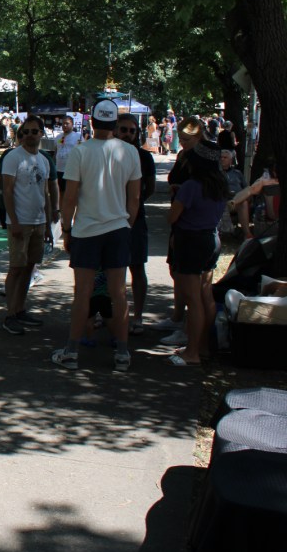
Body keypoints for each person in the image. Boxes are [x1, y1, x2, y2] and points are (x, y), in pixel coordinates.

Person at [52, 99, 141, 373]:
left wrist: (66, 229)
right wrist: (126, 226)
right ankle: (123, 354)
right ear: (115, 124)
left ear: (91, 122)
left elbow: (70, 197)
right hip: (117, 230)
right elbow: (134, 197)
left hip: (87, 231)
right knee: (119, 293)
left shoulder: (80, 152)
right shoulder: (130, 152)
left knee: (83, 293)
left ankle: (71, 350)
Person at [167, 141, 229, 366]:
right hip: (212, 239)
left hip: (190, 241)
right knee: (206, 296)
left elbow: (173, 217)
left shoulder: (191, 186)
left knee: (193, 300)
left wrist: (177, 195)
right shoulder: (220, 185)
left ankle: (191, 352)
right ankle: (202, 346)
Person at [153, 115, 208, 342]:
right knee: (177, 270)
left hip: (192, 223)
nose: (183, 142)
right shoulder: (184, 156)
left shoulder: (202, 161)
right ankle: (178, 317)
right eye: (181, 138)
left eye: (187, 139)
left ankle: (188, 329)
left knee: (192, 280)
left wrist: (182, 191)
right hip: (182, 220)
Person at [0, 116, 52, 335]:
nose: (30, 135)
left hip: (39, 221)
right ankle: (10, 314)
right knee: (16, 268)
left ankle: (20, 309)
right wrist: (14, 221)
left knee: (30, 267)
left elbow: (46, 193)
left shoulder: (44, 160)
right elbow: (7, 191)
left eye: (35, 131)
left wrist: (48, 224)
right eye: (26, 131)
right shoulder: (14, 157)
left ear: (41, 134)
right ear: (21, 134)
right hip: (20, 222)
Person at [115, 113, 157, 334]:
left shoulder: (144, 157)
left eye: (132, 131)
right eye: (123, 130)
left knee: (137, 267)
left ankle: (138, 316)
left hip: (136, 220)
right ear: (115, 130)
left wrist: (134, 205)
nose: (128, 134)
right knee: (111, 270)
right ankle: (110, 313)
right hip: (109, 218)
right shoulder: (107, 153)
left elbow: (149, 188)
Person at [54, 116, 80, 194]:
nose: (64, 125)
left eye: (67, 123)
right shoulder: (58, 137)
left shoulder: (78, 137)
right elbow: (55, 151)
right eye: (63, 124)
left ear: (72, 124)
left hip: (71, 170)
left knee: (71, 193)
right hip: (59, 169)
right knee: (61, 192)